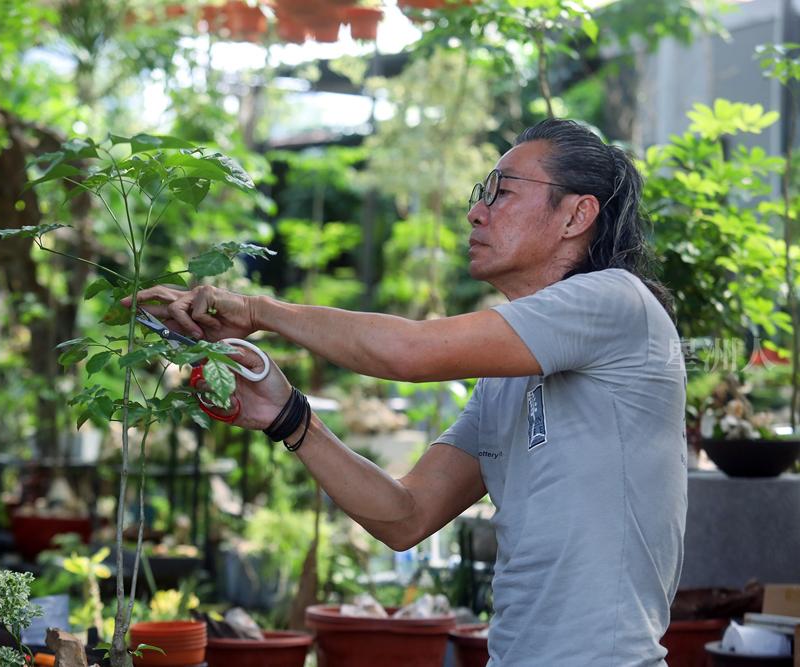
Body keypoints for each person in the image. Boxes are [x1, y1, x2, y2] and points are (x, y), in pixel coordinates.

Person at [136, 118, 688, 666]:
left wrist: (258, 311)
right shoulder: (506, 380)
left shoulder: (616, 301)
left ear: (576, 215)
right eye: (480, 195)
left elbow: (410, 352)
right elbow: (406, 516)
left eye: (501, 193)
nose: (476, 212)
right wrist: (289, 417)